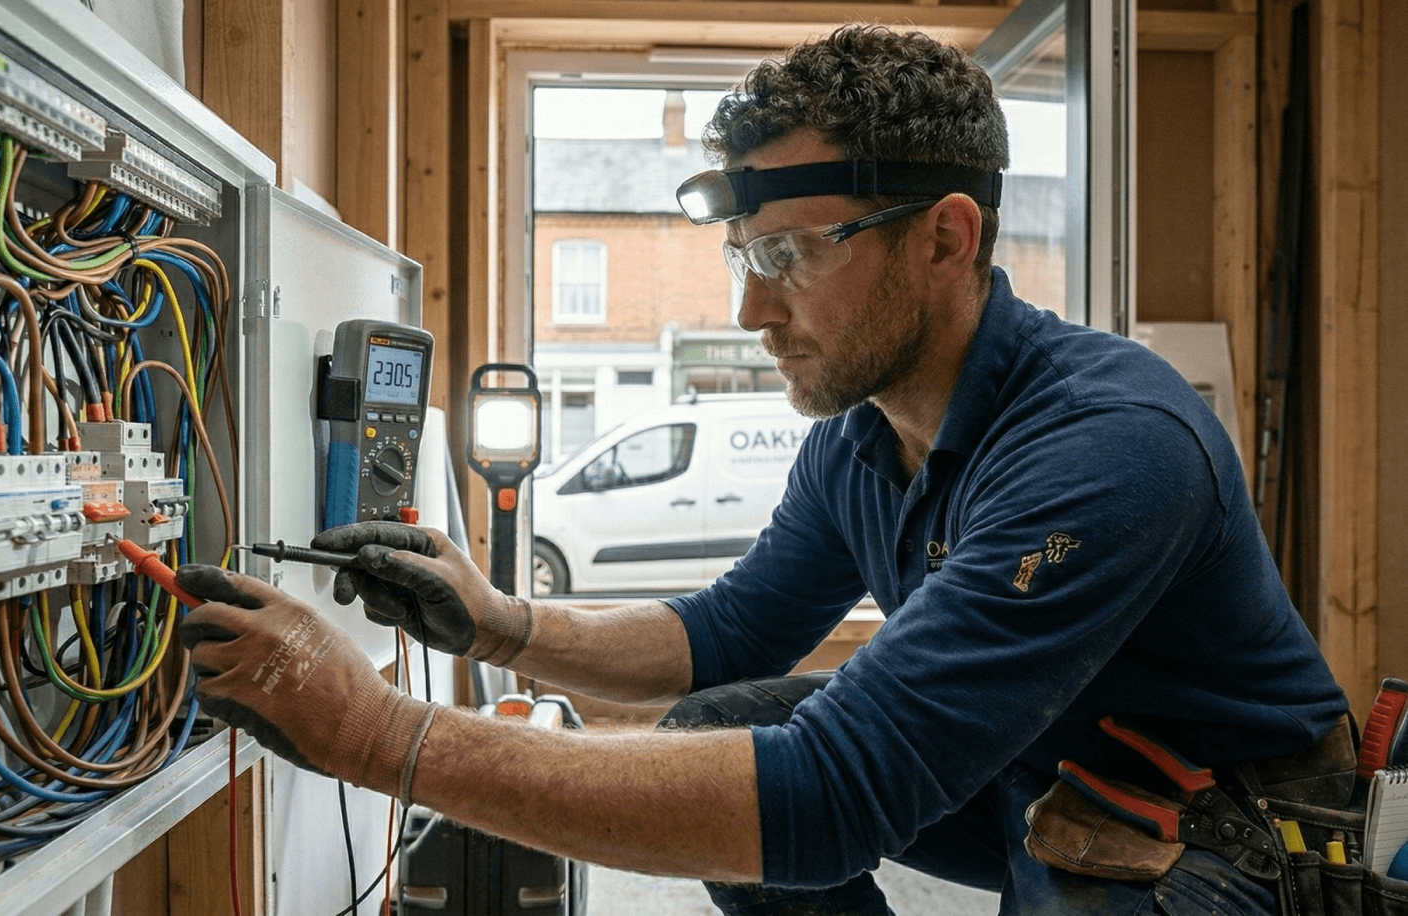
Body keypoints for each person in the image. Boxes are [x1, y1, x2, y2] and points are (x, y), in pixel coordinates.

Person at [177, 25, 1352, 915]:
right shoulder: (863, 436)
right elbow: (727, 632)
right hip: (1040, 777)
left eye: (789, 253)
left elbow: (834, 795)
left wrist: (381, 734)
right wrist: (498, 621)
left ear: (946, 237)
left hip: (1228, 832)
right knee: (716, 721)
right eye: (745, 254)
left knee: (813, 788)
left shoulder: (1109, 442)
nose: (749, 305)